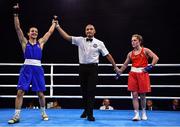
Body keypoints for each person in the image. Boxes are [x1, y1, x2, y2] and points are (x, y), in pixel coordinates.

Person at [55, 22, 120, 121]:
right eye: (87, 29)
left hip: (93, 69)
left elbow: (107, 55)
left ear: (94, 31)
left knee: (91, 91)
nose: (89, 30)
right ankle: (86, 110)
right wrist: (58, 26)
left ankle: (90, 114)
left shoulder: (99, 43)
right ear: (85, 31)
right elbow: (67, 37)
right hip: (82, 68)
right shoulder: (80, 40)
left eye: (91, 29)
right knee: (84, 92)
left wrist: (115, 67)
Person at [8, 3, 57, 124]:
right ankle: (16, 116)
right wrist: (15, 14)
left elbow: (49, 33)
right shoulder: (24, 42)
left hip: (38, 69)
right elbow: (18, 28)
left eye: (36, 31)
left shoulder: (41, 43)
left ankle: (43, 112)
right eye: (32, 31)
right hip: (26, 69)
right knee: (20, 92)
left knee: (40, 93)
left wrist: (54, 23)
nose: (34, 32)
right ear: (29, 33)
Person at [118, 34, 159, 121]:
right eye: (132, 40)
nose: (133, 42)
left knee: (143, 95)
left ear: (139, 41)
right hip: (133, 74)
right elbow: (125, 64)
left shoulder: (145, 50)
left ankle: (144, 112)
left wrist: (150, 66)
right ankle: (136, 114)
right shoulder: (130, 53)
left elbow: (156, 58)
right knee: (134, 94)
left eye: (135, 40)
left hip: (142, 73)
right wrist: (119, 72)